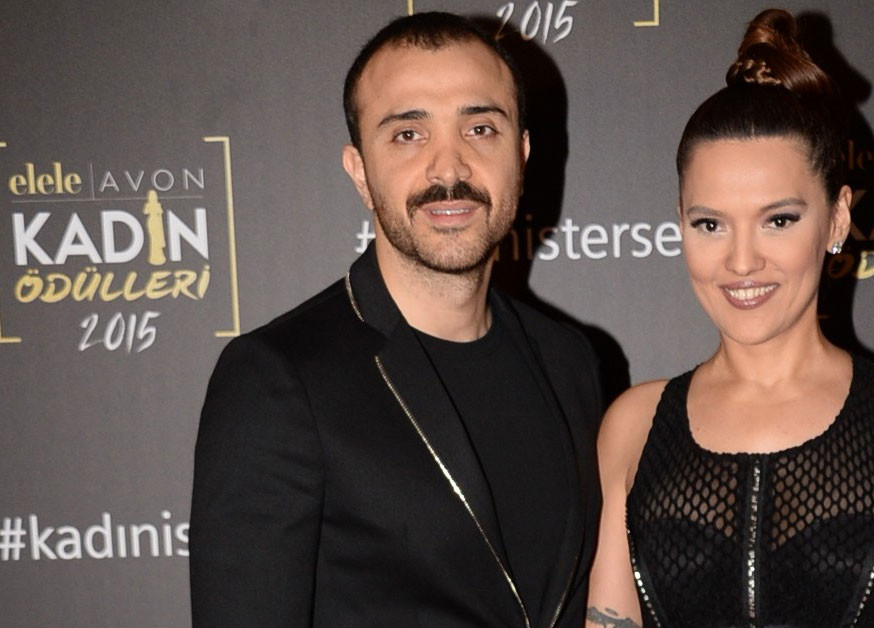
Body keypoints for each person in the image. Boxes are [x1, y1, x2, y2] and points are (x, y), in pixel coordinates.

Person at [189, 12, 603, 628]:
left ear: (520, 153)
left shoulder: (568, 361)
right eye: (408, 134)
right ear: (360, 172)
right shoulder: (278, 379)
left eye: (480, 128)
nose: (449, 169)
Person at [587, 9, 874, 628]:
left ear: (838, 217)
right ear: (680, 221)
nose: (742, 261)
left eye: (779, 220)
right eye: (709, 224)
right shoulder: (632, 427)